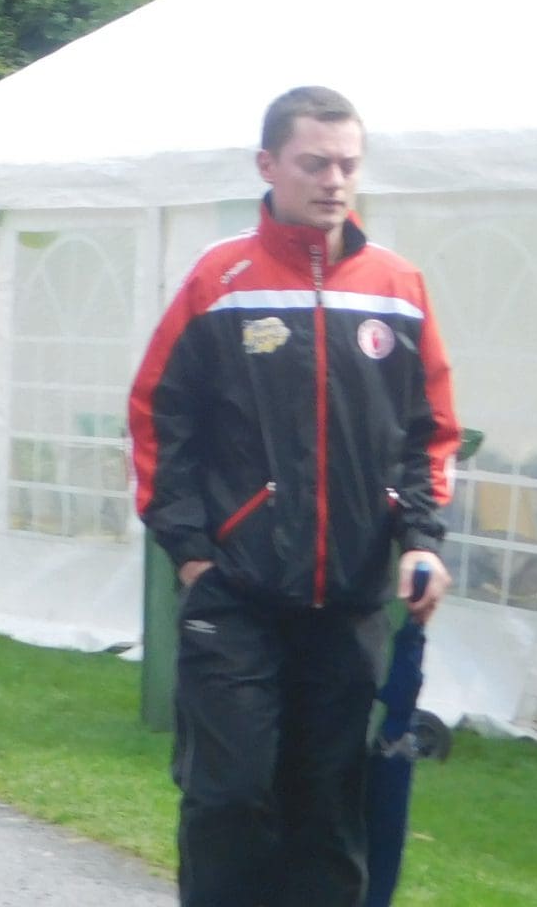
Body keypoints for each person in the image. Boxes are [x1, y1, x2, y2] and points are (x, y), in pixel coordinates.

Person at [128, 86, 460, 907]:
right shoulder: (220, 280)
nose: (334, 180)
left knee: (329, 815)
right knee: (231, 801)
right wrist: (192, 554)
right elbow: (159, 416)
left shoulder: (397, 286)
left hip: (348, 603)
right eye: (315, 163)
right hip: (235, 598)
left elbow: (429, 431)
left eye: (348, 164)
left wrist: (420, 540)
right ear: (268, 165)